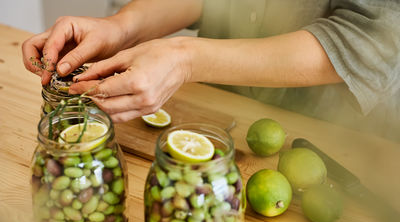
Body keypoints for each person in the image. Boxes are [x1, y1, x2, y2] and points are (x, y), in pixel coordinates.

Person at [22, 0, 400, 141]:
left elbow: (366, 40)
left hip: (343, 143)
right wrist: (123, 27)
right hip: (217, 114)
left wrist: (186, 58)